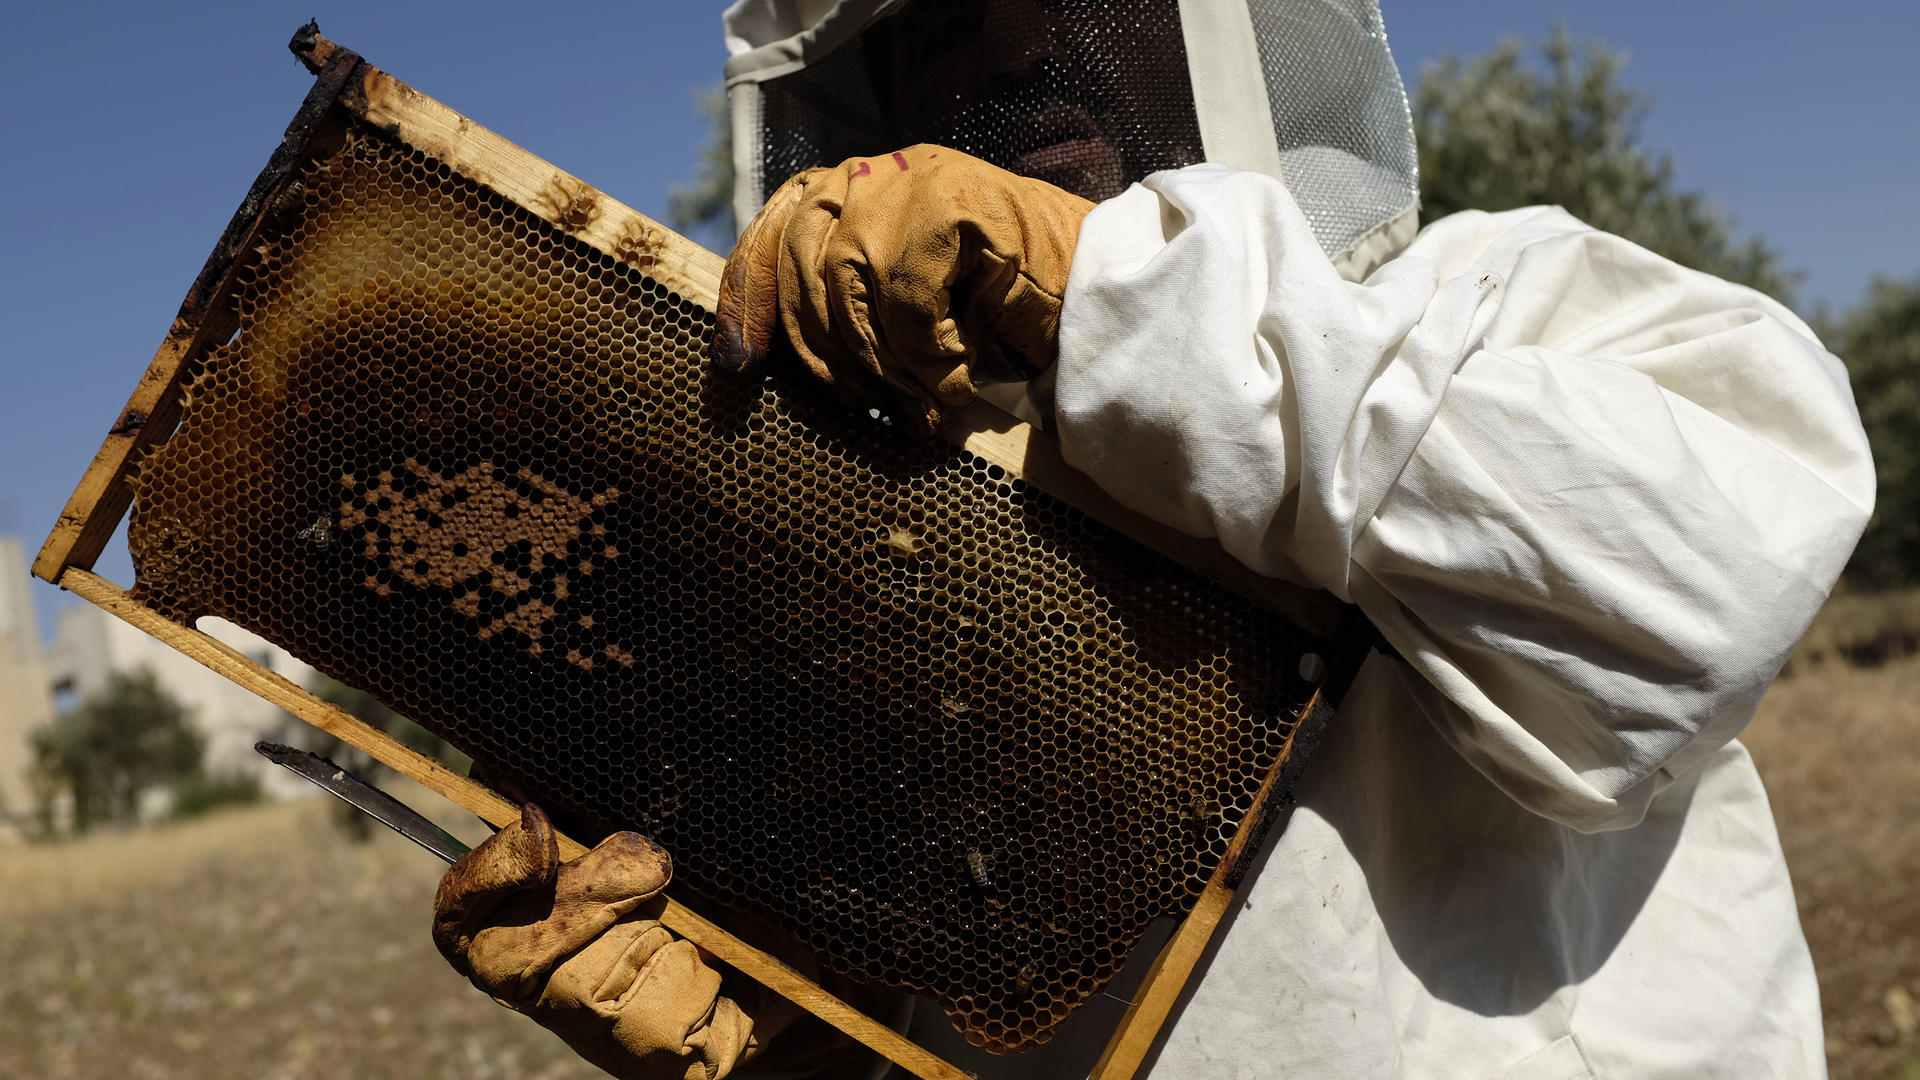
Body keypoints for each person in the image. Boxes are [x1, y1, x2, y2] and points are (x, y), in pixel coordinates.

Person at [431, 1, 1874, 1076]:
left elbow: (1713, 586)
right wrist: (791, 1043)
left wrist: (1106, 299)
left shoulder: (1483, 299)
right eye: (940, 27)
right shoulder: (879, 550)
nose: (1006, 58)